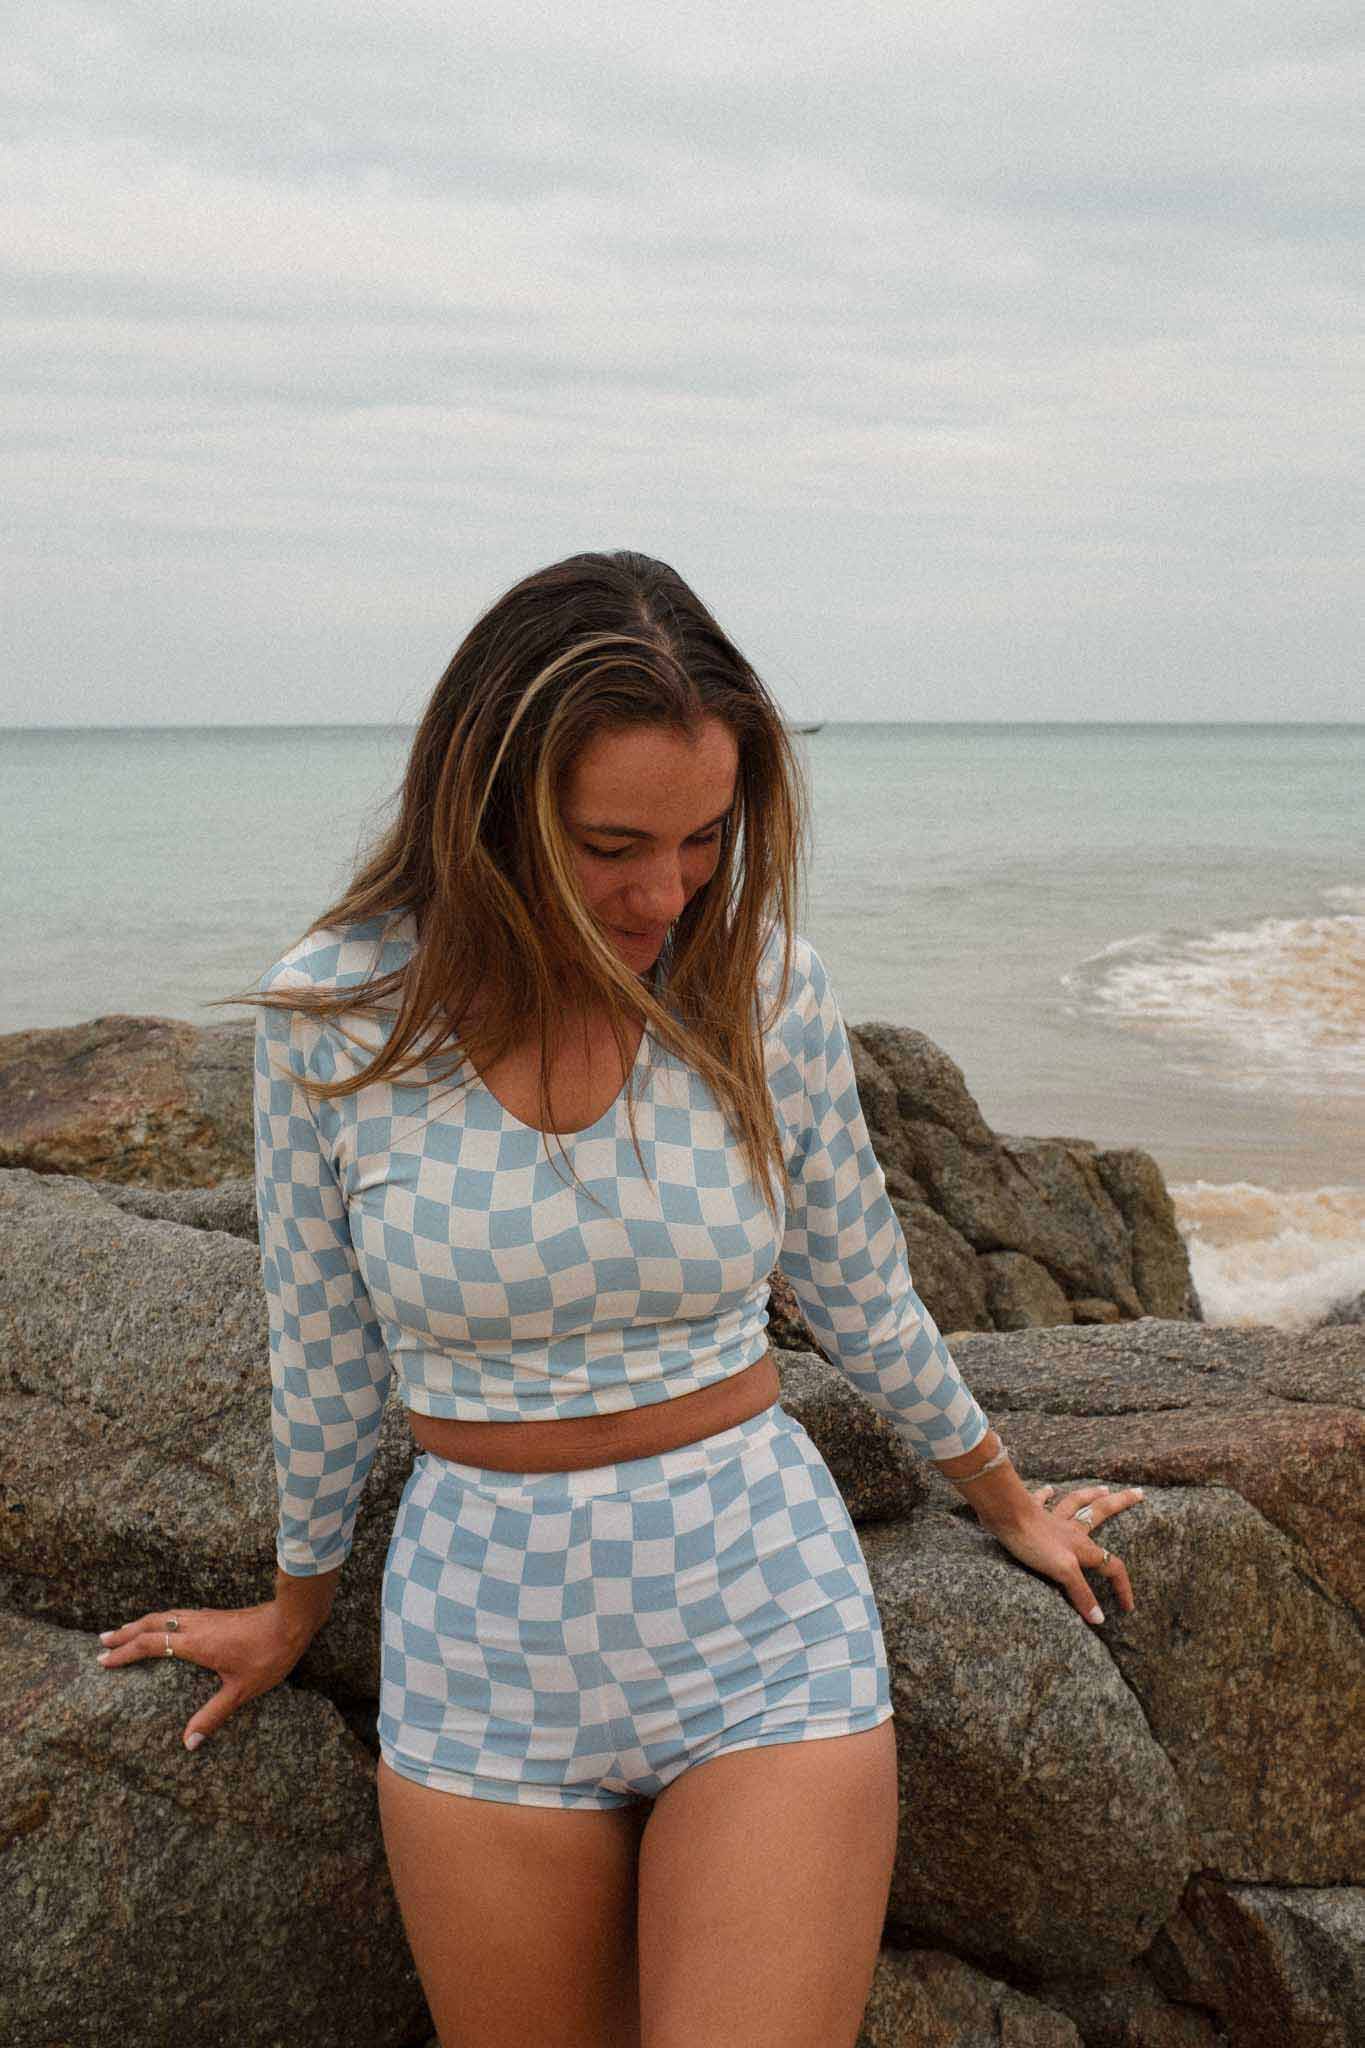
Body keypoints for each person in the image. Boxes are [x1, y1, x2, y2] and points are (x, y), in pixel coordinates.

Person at [97, 551, 1143, 2048]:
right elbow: (321, 1351)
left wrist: (1005, 1496)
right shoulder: (339, 1015)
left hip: (759, 1621)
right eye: (610, 844)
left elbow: (858, 1283)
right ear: (489, 805)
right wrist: (294, 1610)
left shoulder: (760, 985)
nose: (666, 891)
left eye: (705, 838)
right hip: (478, 1654)